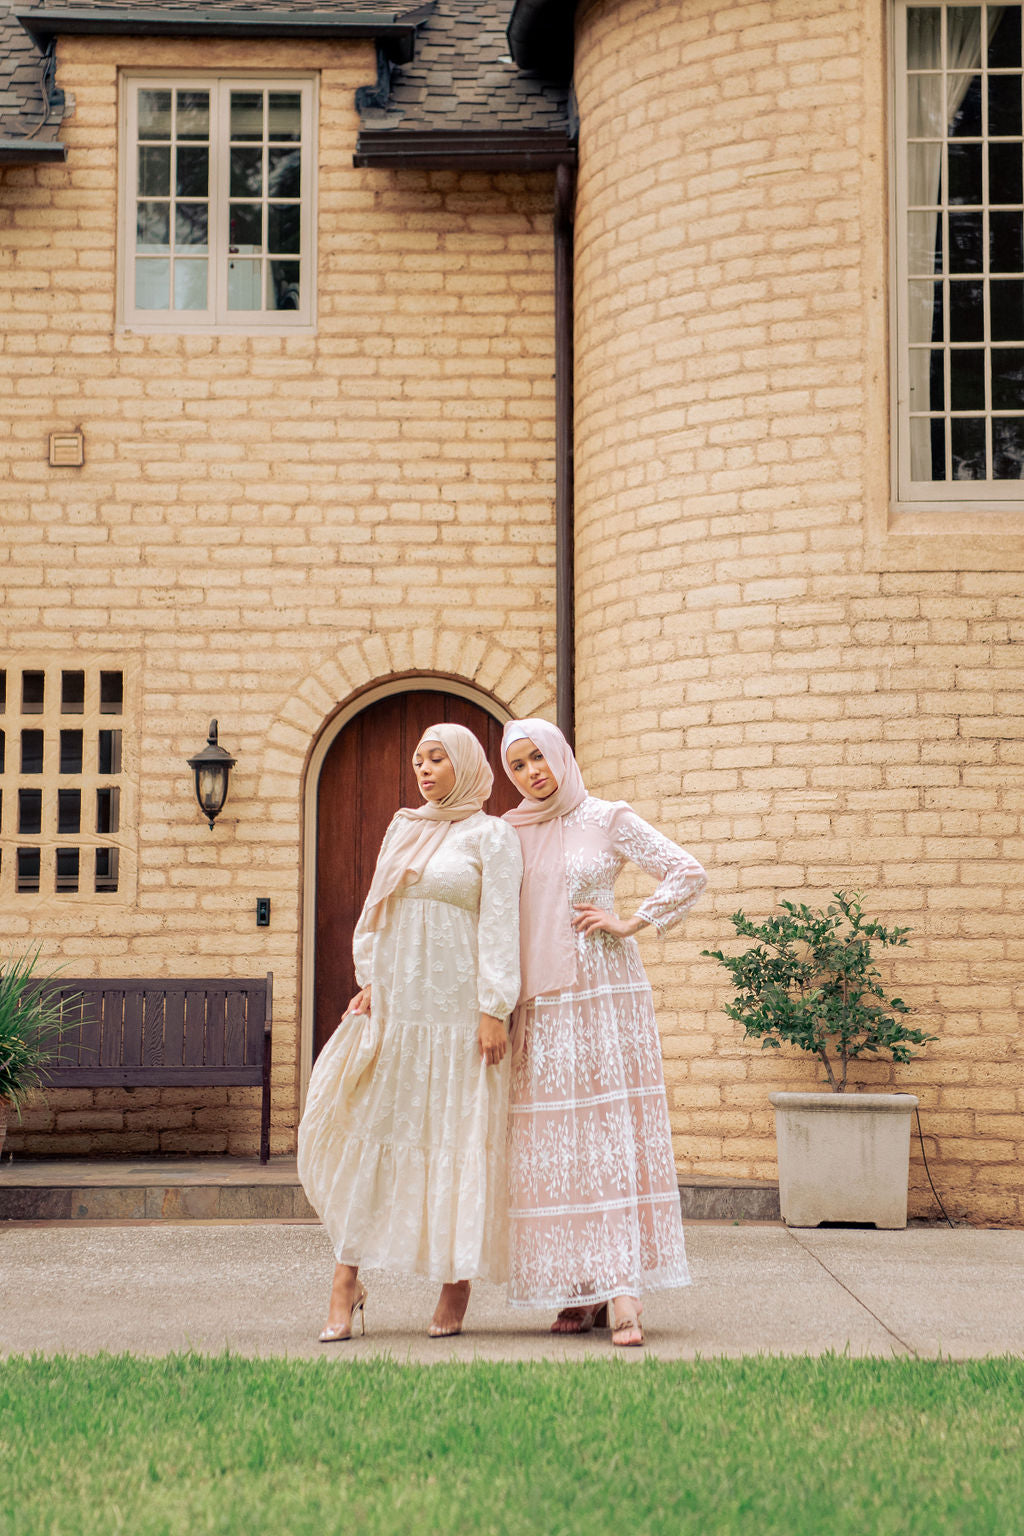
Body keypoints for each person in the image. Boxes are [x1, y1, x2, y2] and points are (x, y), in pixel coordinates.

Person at [298, 722, 522, 1341]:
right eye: (418, 759)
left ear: (467, 766)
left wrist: (493, 1008)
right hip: (399, 1006)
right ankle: (346, 1280)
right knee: (374, 1123)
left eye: (437, 759)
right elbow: (376, 910)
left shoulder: (492, 835)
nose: (423, 770)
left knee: (458, 1134)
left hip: (458, 1015)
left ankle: (456, 1284)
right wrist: (369, 977)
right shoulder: (403, 827)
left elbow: (501, 925)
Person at [502, 719, 707, 1347]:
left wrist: (630, 921)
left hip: (604, 995)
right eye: (518, 765)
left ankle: (624, 1291)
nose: (532, 772)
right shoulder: (510, 832)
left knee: (609, 1130)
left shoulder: (606, 816)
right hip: (542, 999)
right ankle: (579, 1288)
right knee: (558, 1136)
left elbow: (685, 871)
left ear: (561, 755)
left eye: (540, 757)